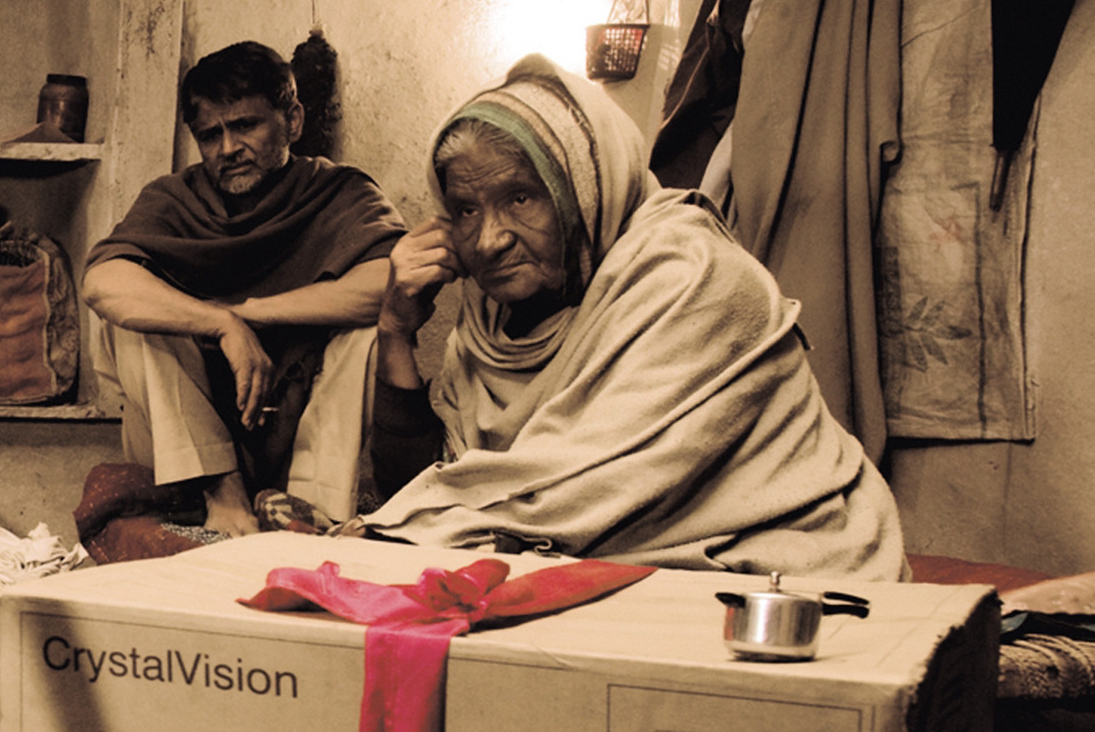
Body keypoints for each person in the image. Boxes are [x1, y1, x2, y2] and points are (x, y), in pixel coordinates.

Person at [359, 55, 906, 579]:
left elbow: (574, 495)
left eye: (521, 198)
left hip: (786, 574)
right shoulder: (488, 323)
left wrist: (406, 531)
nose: (489, 240)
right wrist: (396, 329)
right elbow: (422, 490)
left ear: (584, 188)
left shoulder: (691, 276)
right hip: (605, 573)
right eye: (465, 209)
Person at [81, 41, 410, 534]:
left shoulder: (338, 192)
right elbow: (102, 282)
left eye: (246, 126)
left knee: (369, 332)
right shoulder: (174, 199)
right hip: (185, 456)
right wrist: (220, 324)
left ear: (292, 121)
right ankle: (223, 490)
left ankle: (309, 507)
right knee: (130, 323)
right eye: (210, 135)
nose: (228, 149)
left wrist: (251, 313)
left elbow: (392, 282)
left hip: (293, 435)